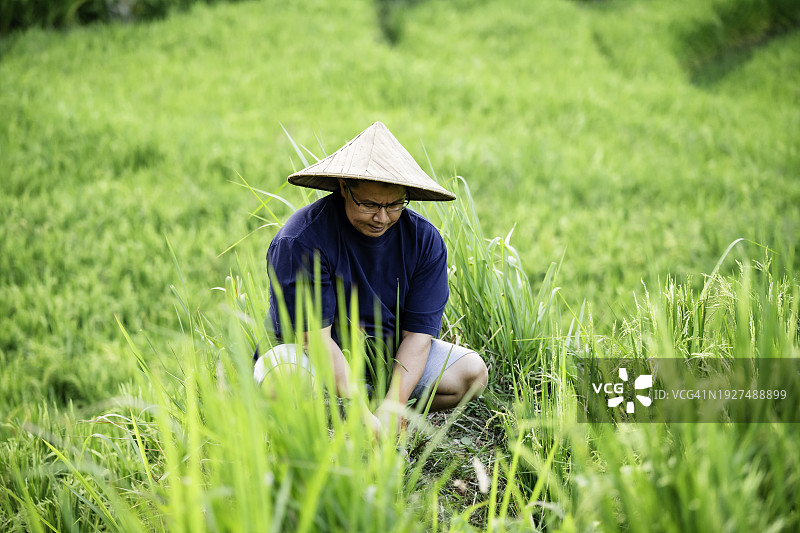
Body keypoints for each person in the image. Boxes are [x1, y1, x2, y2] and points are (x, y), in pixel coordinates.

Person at [254, 121, 488, 433]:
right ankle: (316, 426)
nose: (381, 217)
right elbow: (315, 341)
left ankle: (382, 412)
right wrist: (364, 416)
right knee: (285, 379)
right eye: (369, 204)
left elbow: (418, 337)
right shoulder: (302, 241)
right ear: (343, 187)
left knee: (472, 373)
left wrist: (394, 402)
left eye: (394, 205)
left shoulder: (424, 241)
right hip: (308, 361)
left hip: (381, 362)